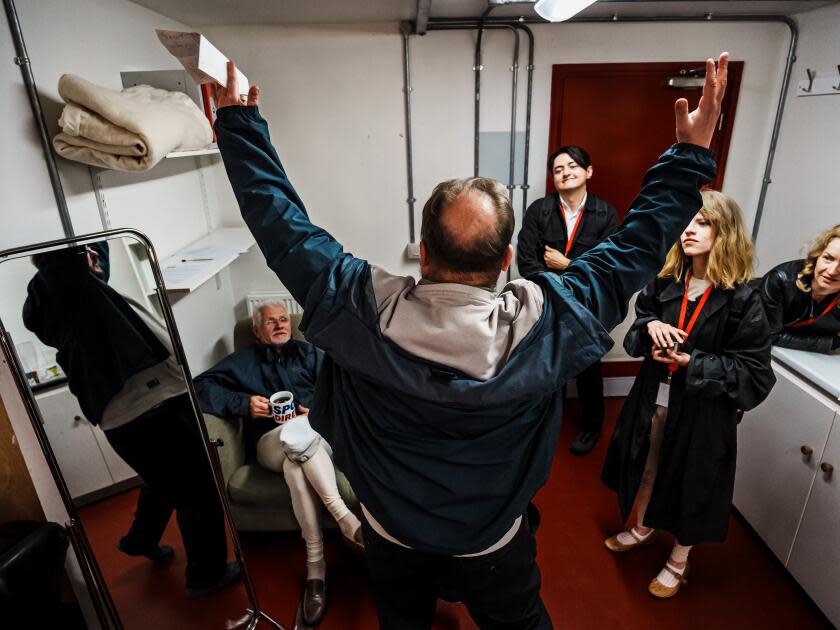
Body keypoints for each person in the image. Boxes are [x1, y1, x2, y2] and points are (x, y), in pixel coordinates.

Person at [212, 53, 728, 629]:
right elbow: (638, 246)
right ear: (508, 261)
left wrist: (239, 125)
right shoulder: (552, 318)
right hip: (493, 546)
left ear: (424, 253)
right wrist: (688, 157)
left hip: (391, 538)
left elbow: (281, 225)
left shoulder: (355, 304)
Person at [22, 242, 239, 598]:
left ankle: (141, 539)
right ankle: (207, 575)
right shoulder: (74, 292)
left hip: (126, 416)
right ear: (69, 262)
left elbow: (90, 268)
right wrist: (64, 246)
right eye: (88, 254)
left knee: (163, 479)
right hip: (153, 404)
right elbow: (68, 268)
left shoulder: (63, 304)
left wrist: (86, 250)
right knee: (197, 490)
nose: (96, 261)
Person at [601, 191, 775, 598]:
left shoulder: (745, 298)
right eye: (685, 222)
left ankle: (679, 559)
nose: (688, 231)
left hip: (703, 410)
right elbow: (633, 337)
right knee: (648, 463)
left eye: (701, 223)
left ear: (724, 232)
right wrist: (647, 329)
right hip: (652, 396)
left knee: (691, 482)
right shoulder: (665, 282)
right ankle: (643, 527)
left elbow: (755, 374)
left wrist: (691, 362)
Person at [194, 301, 363, 626]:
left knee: (296, 463)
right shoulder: (243, 362)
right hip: (269, 444)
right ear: (257, 331)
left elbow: (343, 388)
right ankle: (345, 518)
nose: (279, 324)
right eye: (270, 322)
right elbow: (200, 388)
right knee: (290, 436)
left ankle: (316, 571)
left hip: (316, 438)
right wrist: (243, 404)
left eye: (283, 319)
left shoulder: (312, 355)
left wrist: (315, 410)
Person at [516, 145, 619, 455]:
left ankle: (591, 428)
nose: (565, 173)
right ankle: (548, 423)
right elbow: (527, 260)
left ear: (588, 171)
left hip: (587, 305)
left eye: (573, 166)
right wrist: (554, 287)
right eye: (558, 170)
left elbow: (608, 265)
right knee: (549, 364)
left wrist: (568, 265)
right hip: (548, 300)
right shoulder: (539, 210)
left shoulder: (606, 214)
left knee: (588, 366)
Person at [759, 224, 840, 353]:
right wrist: (831, 342)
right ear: (818, 256)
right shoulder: (781, 279)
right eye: (828, 258)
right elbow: (769, 335)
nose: (831, 271)